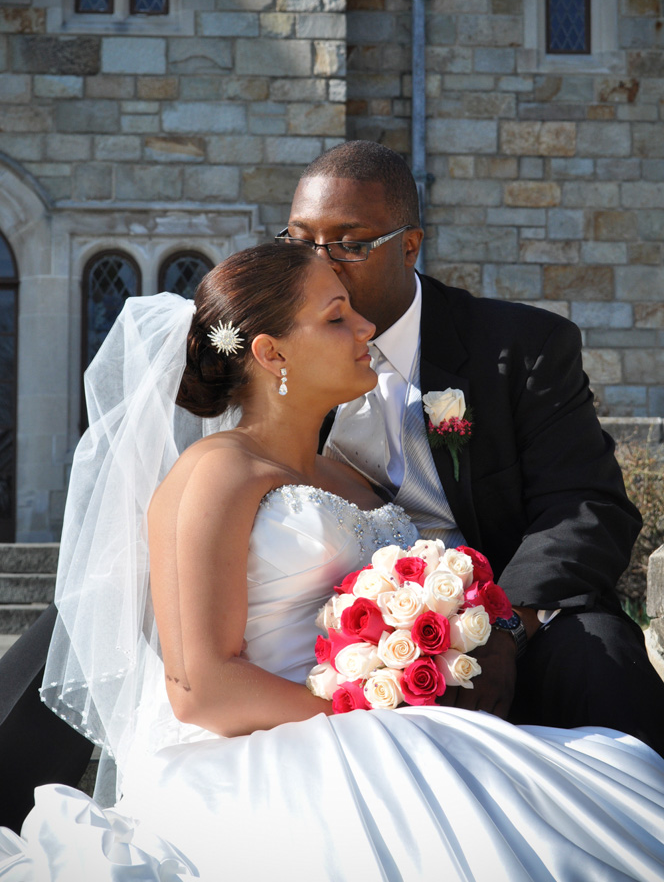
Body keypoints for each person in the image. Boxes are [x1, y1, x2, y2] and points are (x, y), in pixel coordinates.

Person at [0, 243, 663, 881]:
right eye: (337, 317)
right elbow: (200, 687)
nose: (366, 328)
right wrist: (365, 710)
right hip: (272, 747)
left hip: (388, 720)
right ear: (271, 353)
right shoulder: (216, 473)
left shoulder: (350, 474)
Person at [283, 139, 664, 753]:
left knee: (605, 664)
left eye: (349, 243)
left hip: (519, 615)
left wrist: (505, 627)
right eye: (302, 241)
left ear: (409, 245)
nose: (320, 264)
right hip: (346, 639)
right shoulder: (279, 355)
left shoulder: (521, 348)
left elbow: (586, 506)